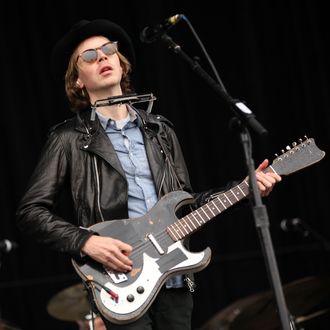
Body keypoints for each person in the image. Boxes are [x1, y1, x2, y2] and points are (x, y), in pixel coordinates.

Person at [16, 18, 281, 330]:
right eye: (89, 56)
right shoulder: (69, 138)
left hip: (175, 278)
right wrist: (85, 242)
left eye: (108, 50)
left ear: (122, 63)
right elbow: (30, 211)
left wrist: (243, 189)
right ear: (77, 81)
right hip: (120, 279)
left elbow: (187, 205)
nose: (102, 57)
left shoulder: (160, 130)